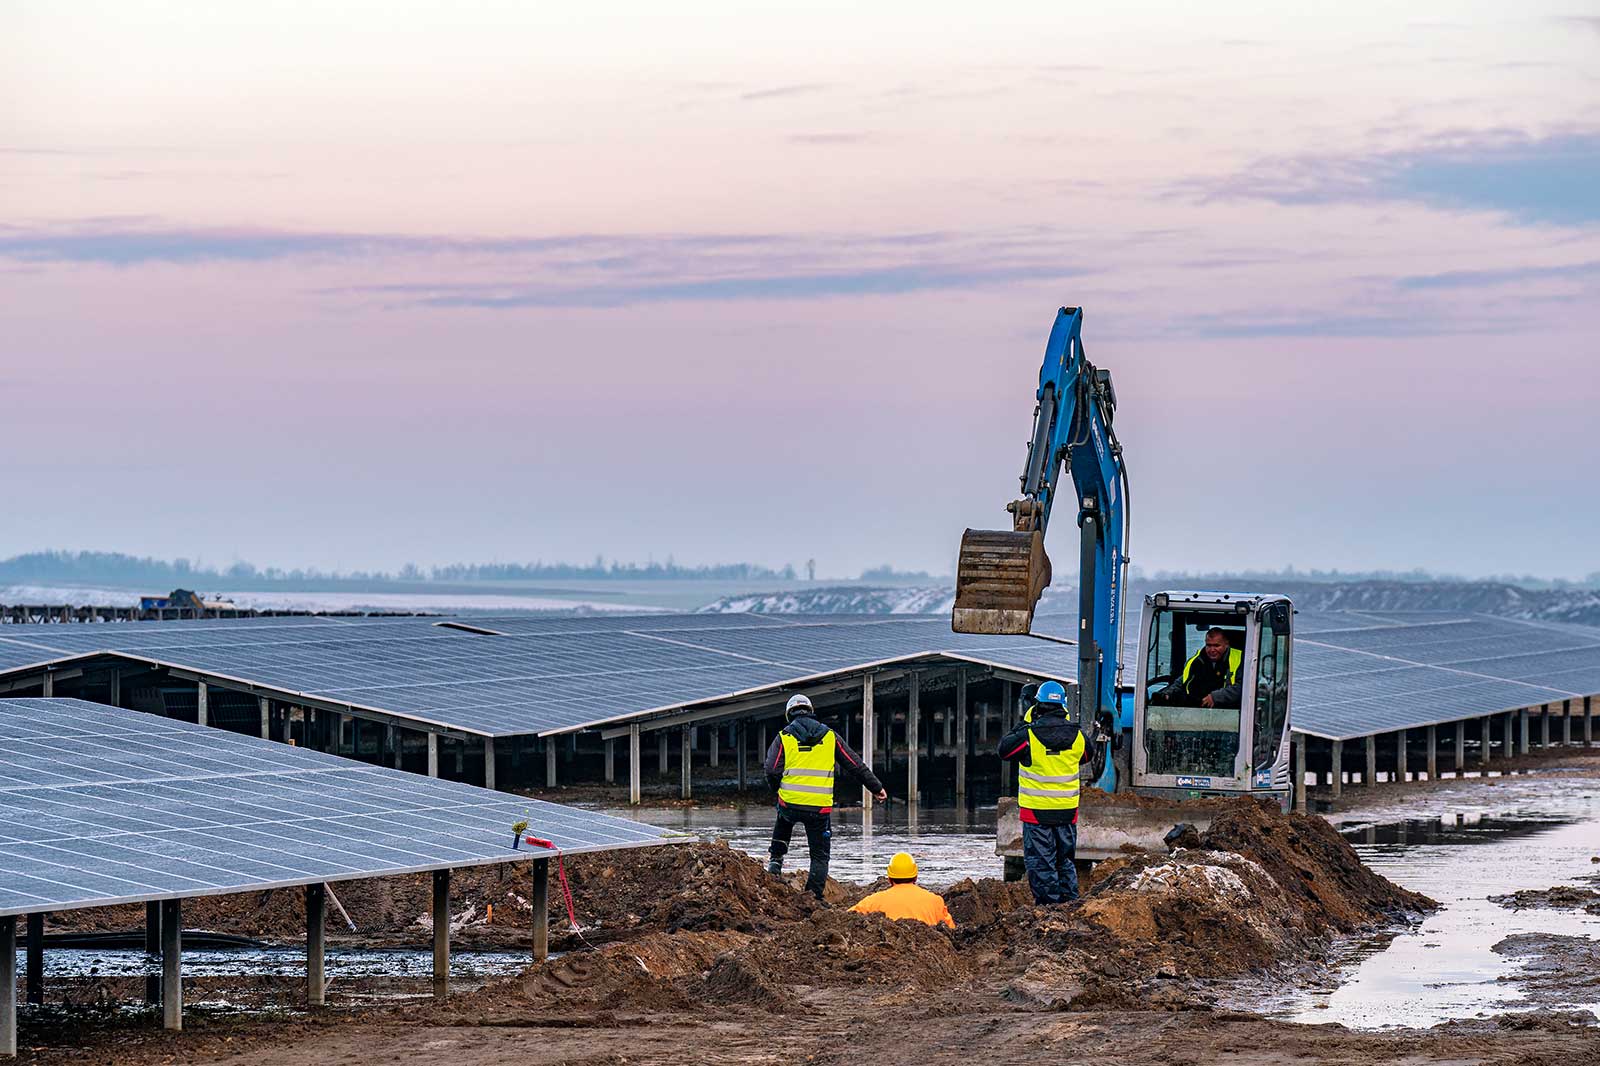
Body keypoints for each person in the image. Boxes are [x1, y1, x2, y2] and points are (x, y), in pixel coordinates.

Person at [765, 693, 888, 900]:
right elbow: (854, 764)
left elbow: (771, 769)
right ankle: (812, 898)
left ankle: (775, 862)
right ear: (811, 712)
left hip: (790, 803)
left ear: (789, 714)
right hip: (819, 809)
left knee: (783, 818)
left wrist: (777, 789)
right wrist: (876, 788)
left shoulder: (784, 736)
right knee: (820, 856)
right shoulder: (830, 736)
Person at [996, 680, 1095, 905]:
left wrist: (1024, 720)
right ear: (1064, 707)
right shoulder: (1078, 736)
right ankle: (1069, 904)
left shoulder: (1028, 735)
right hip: (1066, 812)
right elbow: (1087, 756)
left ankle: (1049, 908)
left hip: (1037, 812)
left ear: (1038, 705)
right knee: (1065, 861)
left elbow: (1004, 749)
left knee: (1041, 863)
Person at [850, 852, 955, 928]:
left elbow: (846, 919)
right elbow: (950, 930)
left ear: (890, 878)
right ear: (915, 877)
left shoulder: (871, 902)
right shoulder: (935, 901)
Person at [1181, 627, 1243, 709]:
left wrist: (1215, 697)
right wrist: (1168, 693)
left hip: (1231, 713)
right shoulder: (1196, 661)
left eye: (1216, 645)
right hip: (1196, 711)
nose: (1212, 650)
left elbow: (1243, 687)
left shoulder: (1241, 659)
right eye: (1209, 645)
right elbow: (1182, 680)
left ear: (1226, 644)